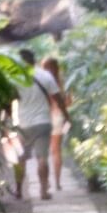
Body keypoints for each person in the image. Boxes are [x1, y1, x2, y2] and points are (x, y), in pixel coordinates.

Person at [12, 48, 70, 200]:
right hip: (43, 122)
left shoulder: (15, 77)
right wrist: (67, 116)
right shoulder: (45, 76)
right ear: (34, 60)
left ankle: (18, 190)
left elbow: (9, 99)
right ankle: (43, 191)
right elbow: (58, 99)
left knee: (21, 158)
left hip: (23, 124)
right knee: (42, 158)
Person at [42, 56, 70, 191]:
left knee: (43, 152)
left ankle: (45, 181)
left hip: (44, 117)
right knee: (56, 151)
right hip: (58, 117)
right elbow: (68, 102)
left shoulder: (42, 81)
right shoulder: (61, 83)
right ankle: (57, 183)